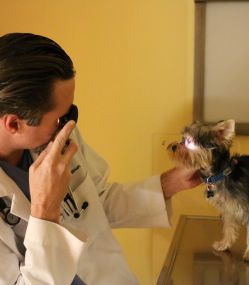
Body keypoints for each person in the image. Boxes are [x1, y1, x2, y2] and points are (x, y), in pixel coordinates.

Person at [0, 33, 202, 285]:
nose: (69, 124)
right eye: (61, 118)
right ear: (14, 123)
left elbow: (96, 204)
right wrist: (45, 212)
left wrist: (170, 183)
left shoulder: (55, 139)